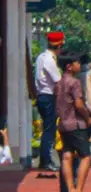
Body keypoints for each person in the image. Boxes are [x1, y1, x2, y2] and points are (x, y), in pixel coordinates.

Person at [56, 55, 91, 192]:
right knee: (86, 156)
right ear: (69, 66)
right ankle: (78, 191)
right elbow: (78, 104)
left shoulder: (59, 83)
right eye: (77, 63)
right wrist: (88, 118)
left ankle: (70, 191)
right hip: (76, 124)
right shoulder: (74, 82)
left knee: (67, 156)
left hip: (63, 124)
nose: (79, 65)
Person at [32, 30, 64, 176]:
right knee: (49, 130)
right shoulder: (50, 60)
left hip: (42, 96)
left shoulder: (41, 57)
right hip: (48, 96)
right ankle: (46, 161)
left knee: (48, 128)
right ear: (59, 45)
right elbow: (58, 80)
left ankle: (45, 160)